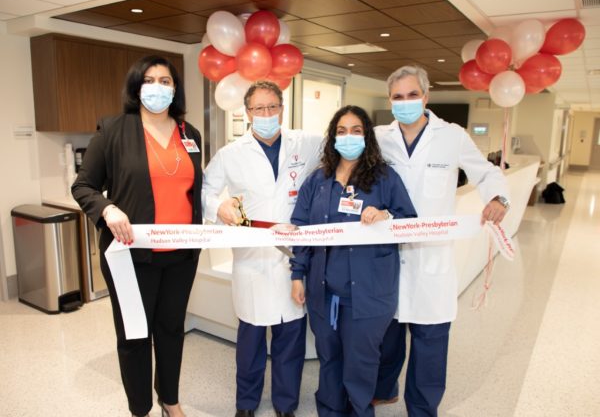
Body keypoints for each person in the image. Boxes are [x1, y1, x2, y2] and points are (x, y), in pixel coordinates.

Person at [372, 65, 510, 416]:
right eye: (398, 97)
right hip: (386, 254)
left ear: (426, 96)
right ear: (390, 101)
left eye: (412, 95)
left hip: (432, 257)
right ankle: (384, 390)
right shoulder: (379, 137)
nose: (406, 103)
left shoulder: (452, 136)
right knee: (386, 336)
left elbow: (487, 172)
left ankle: (422, 408)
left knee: (430, 341)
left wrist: (498, 198)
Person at [72, 55, 203, 417]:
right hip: (131, 256)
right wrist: (107, 209)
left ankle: (170, 400)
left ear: (175, 89)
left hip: (181, 254)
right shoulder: (113, 130)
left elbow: (194, 192)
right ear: (136, 86)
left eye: (166, 81)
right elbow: (83, 186)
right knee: (134, 334)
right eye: (150, 80)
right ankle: (140, 408)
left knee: (172, 329)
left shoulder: (189, 134)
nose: (158, 88)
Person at [201, 81, 322, 417]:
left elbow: (342, 152)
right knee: (250, 341)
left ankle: (286, 405)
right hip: (251, 261)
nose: (266, 114)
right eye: (258, 109)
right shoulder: (230, 154)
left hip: (293, 263)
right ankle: (246, 404)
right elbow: (203, 193)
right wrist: (218, 208)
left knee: (291, 339)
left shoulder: (306, 143)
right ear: (247, 112)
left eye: (272, 107)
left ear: (282, 109)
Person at [289, 105, 417, 417]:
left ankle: (361, 411)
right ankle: (330, 411)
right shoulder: (317, 182)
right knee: (329, 357)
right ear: (333, 137)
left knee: (361, 361)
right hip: (324, 291)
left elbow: (409, 220)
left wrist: (385, 215)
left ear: (367, 136)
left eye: (356, 130)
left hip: (369, 293)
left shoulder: (385, 178)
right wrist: (297, 276)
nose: (349, 137)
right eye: (342, 131)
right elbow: (301, 230)